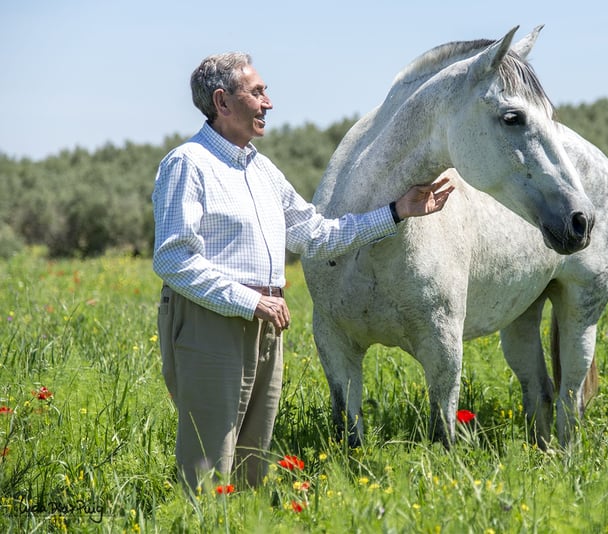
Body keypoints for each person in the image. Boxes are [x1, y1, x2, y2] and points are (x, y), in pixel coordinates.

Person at [152, 51, 453, 493]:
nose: (268, 102)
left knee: (252, 467)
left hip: (264, 322)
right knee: (207, 467)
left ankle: (244, 522)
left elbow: (317, 235)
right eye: (257, 92)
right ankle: (197, 523)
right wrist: (251, 301)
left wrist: (397, 212)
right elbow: (173, 259)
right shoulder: (189, 164)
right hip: (211, 321)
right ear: (222, 101)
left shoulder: (262, 169)